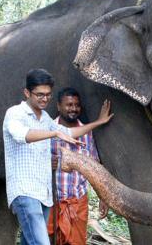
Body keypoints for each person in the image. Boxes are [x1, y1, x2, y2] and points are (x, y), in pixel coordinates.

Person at [3, 69, 113, 245]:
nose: (44, 99)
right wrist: (53, 132)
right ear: (27, 93)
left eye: (47, 95)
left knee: (28, 241)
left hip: (44, 194)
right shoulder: (15, 113)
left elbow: (69, 132)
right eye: (39, 94)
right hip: (25, 192)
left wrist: (98, 123)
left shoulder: (45, 118)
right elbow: (21, 135)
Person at [47, 87, 109, 245]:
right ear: (58, 106)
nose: (73, 109)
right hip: (52, 200)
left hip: (77, 202)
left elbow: (94, 166)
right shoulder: (48, 130)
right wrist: (47, 163)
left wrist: (104, 197)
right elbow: (34, 160)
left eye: (76, 105)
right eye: (69, 105)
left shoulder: (87, 133)